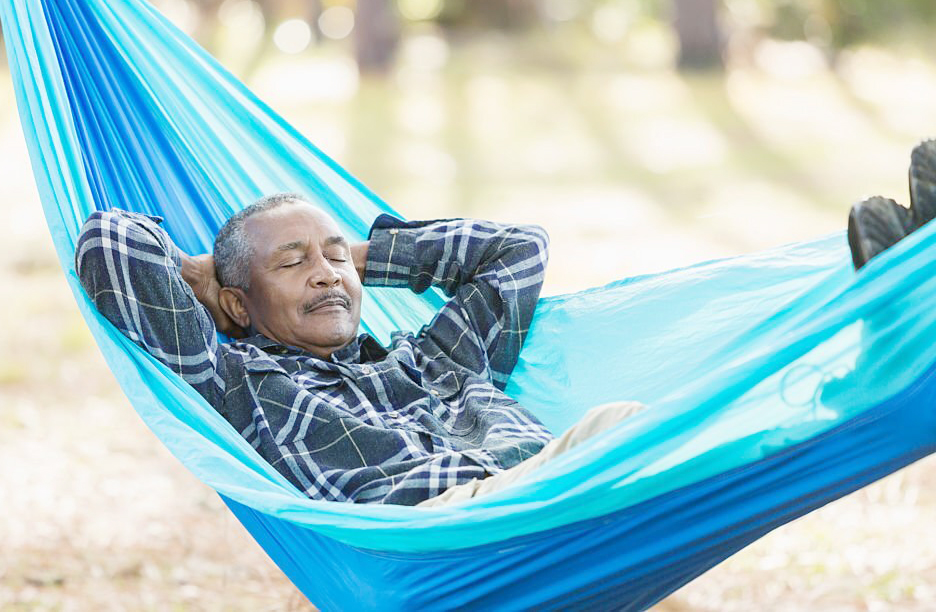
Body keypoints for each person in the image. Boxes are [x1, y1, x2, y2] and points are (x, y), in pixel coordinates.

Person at [75, 140, 936, 506]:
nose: (326, 272)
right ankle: (889, 328)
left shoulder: (435, 356)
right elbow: (109, 244)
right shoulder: (240, 382)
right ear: (236, 304)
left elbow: (516, 251)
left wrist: (360, 257)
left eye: (333, 254)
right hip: (456, 530)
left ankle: (896, 306)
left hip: (555, 492)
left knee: (705, 409)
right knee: (650, 429)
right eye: (292, 263)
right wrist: (206, 274)